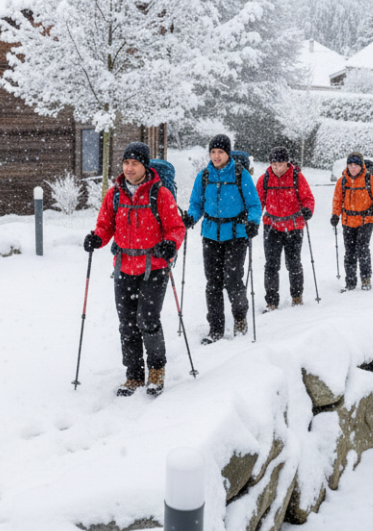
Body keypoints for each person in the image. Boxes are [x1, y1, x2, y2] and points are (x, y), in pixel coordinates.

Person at [84, 142, 185, 397]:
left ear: (145, 166)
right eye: (126, 163)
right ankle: (134, 375)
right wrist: (97, 238)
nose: (129, 168)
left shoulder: (160, 194)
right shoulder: (114, 194)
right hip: (124, 266)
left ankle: (156, 371)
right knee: (127, 324)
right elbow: (105, 225)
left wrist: (170, 245)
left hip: (155, 267)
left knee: (147, 320)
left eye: (135, 163)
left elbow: (176, 227)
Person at [183, 134, 262, 343]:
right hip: (210, 235)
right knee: (213, 283)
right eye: (213, 152)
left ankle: (239, 318)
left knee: (233, 280)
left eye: (221, 152)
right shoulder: (204, 176)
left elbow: (254, 204)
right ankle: (215, 328)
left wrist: (253, 221)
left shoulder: (240, 174)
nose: (216, 156)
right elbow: (196, 204)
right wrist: (190, 218)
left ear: (228, 154)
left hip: (236, 235)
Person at [255, 146, 314, 310]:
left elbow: (308, 197)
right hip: (272, 227)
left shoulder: (297, 177)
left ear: (287, 164)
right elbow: (257, 202)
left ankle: (297, 296)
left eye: (280, 164)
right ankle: (271, 301)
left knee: (293, 263)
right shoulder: (264, 179)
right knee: (271, 265)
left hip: (294, 226)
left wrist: (308, 209)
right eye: (274, 164)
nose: (277, 168)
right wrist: (252, 220)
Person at [330, 152, 373, 291]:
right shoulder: (342, 181)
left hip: (366, 219)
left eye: (356, 165)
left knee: (362, 248)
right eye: (350, 165)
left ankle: (366, 278)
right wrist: (335, 215)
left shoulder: (370, 180)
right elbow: (337, 200)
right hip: (348, 220)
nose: (353, 168)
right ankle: (350, 281)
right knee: (349, 251)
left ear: (361, 166)